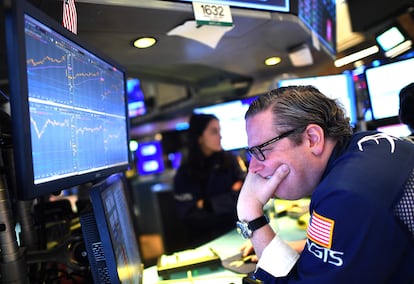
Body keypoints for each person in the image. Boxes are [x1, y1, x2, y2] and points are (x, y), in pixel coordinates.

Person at [237, 85, 414, 283]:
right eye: (250, 153)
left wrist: (250, 213)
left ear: (313, 139)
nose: (253, 167)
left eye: (261, 150)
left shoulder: (343, 194)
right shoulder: (367, 145)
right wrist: (304, 246)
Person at [174, 113, 246, 245]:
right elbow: (189, 217)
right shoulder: (185, 173)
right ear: (199, 137)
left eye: (219, 131)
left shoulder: (230, 160)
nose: (220, 136)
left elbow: (245, 196)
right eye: (214, 132)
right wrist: (228, 201)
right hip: (204, 241)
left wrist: (207, 204)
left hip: (236, 233)